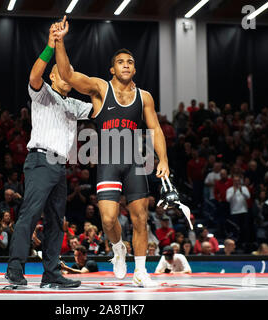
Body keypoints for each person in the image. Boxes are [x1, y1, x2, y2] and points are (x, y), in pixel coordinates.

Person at [54, 16, 170, 287]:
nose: (126, 65)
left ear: (135, 69)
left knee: (140, 216)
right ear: (112, 69)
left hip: (135, 161)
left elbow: (156, 129)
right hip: (107, 159)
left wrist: (163, 159)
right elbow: (68, 75)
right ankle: (119, 249)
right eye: (121, 62)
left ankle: (140, 271)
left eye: (130, 62)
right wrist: (59, 42)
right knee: (107, 219)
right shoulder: (100, 88)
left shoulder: (145, 97)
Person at [5, 21, 93, 289]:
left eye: (72, 73)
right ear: (54, 77)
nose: (69, 75)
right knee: (30, 216)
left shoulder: (75, 104)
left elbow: (99, 109)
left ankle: (51, 274)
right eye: (64, 71)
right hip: (41, 160)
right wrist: (50, 45)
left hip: (59, 166)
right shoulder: (43, 93)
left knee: (56, 221)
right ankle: (14, 271)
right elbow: (34, 76)